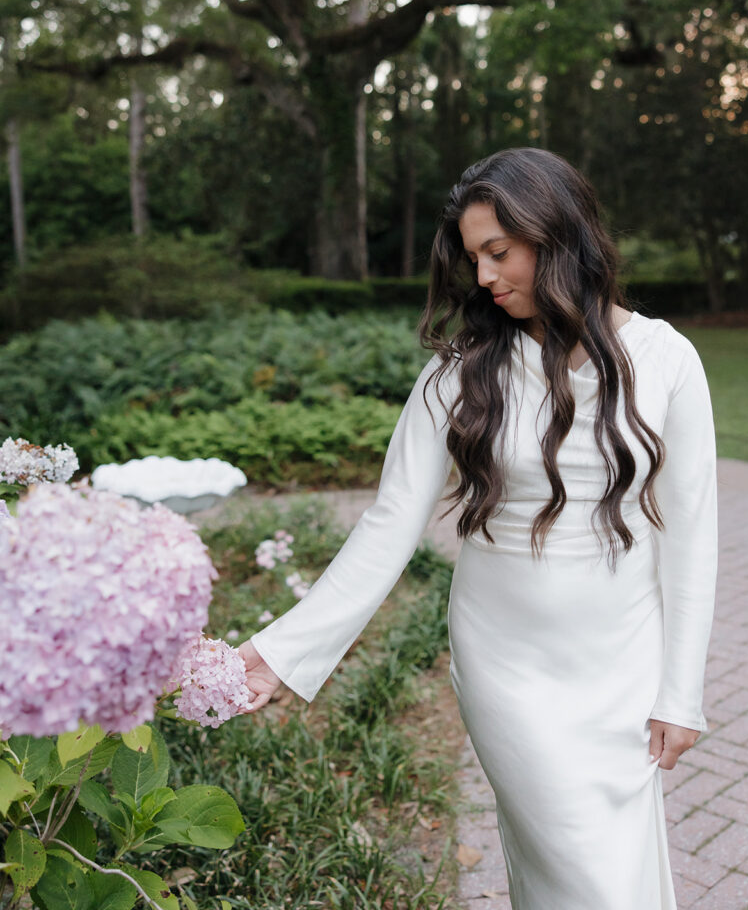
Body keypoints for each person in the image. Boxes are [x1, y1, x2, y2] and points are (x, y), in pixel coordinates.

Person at [239, 147, 718, 910]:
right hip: (507, 662)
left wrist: (679, 691)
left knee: (606, 863)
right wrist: (278, 651)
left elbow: (692, 537)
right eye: (473, 259)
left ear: (558, 235)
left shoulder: (666, 360)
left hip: (624, 655)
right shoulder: (460, 370)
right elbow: (390, 522)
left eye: (499, 252)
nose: (486, 278)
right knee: (586, 870)